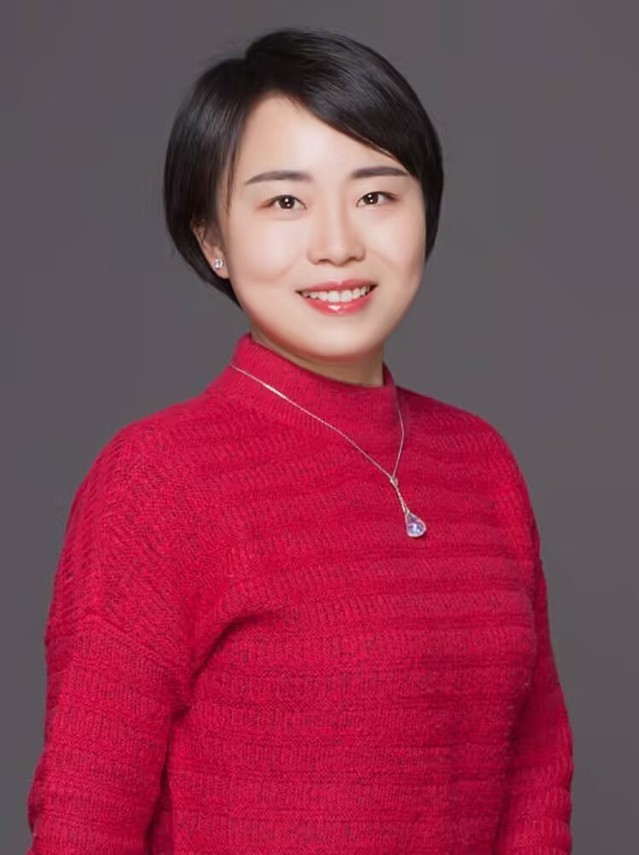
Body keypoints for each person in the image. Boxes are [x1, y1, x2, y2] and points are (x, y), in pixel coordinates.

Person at [26, 26, 574, 853]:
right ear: (212, 238)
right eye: (285, 202)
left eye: (376, 195)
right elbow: (83, 821)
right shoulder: (157, 480)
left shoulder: (480, 462)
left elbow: (534, 779)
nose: (337, 244)